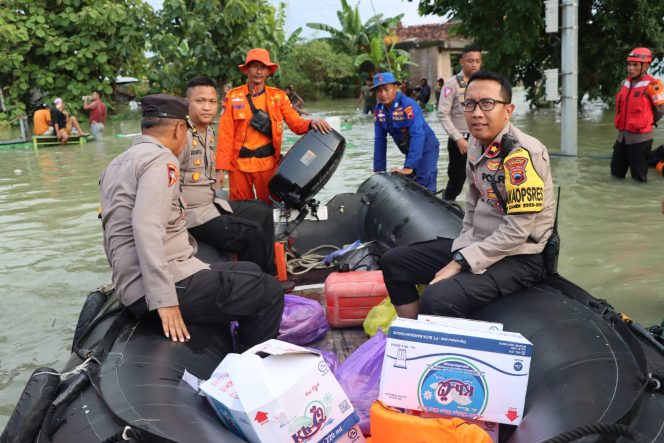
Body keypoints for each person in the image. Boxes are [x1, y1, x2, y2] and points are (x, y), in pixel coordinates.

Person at [99, 94, 283, 348]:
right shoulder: (161, 161)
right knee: (269, 291)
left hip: (135, 284)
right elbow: (146, 227)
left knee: (251, 271)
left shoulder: (117, 164)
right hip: (157, 289)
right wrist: (164, 300)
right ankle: (255, 373)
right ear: (178, 129)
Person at [381, 71, 554, 319]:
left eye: (487, 104)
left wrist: (461, 261)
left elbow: (518, 231)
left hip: (519, 257)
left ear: (508, 110)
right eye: (469, 104)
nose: (477, 113)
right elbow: (472, 203)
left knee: (437, 297)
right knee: (394, 263)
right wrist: (463, 246)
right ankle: (413, 336)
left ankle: (433, 350)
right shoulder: (474, 143)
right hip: (480, 242)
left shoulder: (522, 155)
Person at [179, 76, 275, 274]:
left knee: (262, 210)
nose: (207, 107)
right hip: (194, 217)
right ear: (187, 103)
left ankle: (269, 274)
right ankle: (257, 284)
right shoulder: (180, 137)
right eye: (200, 101)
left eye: (212, 102)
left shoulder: (207, 132)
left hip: (211, 206)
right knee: (251, 233)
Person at [216, 48, 331, 203]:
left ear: (268, 71)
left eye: (263, 67)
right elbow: (225, 136)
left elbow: (296, 124)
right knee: (241, 210)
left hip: (268, 165)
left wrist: (312, 122)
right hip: (238, 168)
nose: (258, 71)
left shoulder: (279, 96)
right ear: (247, 70)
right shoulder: (232, 97)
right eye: (254, 66)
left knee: (271, 210)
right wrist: (219, 170)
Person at [372, 72, 440, 192]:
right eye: (378, 91)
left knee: (424, 183)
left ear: (395, 87)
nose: (383, 94)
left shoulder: (408, 106)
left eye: (386, 89)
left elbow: (417, 135)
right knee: (410, 185)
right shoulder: (379, 110)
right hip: (409, 150)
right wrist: (379, 169)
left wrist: (409, 167)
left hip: (426, 146)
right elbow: (380, 140)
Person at [611, 47, 664, 182]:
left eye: (635, 65)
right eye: (629, 64)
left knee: (639, 179)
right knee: (615, 175)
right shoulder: (625, 83)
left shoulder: (654, 86)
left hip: (641, 140)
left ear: (645, 66)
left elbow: (660, 110)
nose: (630, 68)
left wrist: (645, 121)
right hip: (621, 138)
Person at [438, 44, 483, 201]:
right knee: (456, 182)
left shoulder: (483, 83)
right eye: (470, 61)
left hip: (482, 139)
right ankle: (446, 205)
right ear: (462, 62)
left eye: (478, 61)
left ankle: (482, 214)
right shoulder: (451, 85)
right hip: (460, 142)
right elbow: (443, 114)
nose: (474, 64)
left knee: (484, 179)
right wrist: (458, 138)